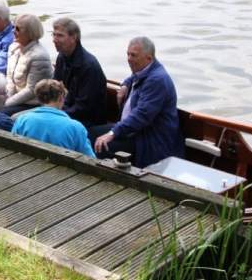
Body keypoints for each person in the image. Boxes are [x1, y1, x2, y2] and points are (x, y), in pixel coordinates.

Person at [92, 37, 184, 168]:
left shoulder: (157, 80)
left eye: (133, 55)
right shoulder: (145, 69)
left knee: (102, 146)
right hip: (131, 129)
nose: (129, 59)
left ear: (149, 58)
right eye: (128, 54)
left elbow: (141, 116)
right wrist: (125, 84)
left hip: (148, 138)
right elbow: (134, 76)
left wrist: (112, 133)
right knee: (90, 133)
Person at [12, 80, 96, 157]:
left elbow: (13, 146)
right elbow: (89, 159)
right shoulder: (76, 127)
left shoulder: (22, 120)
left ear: (39, 98)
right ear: (61, 98)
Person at [52, 17, 107, 128]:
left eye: (60, 35)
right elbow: (54, 89)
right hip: (65, 113)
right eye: (54, 35)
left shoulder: (89, 67)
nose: (54, 39)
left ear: (74, 38)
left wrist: (55, 115)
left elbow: (83, 108)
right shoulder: (62, 57)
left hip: (87, 122)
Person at [3, 13, 53, 115]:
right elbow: (9, 77)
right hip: (14, 98)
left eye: (17, 29)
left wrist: (7, 103)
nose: (13, 31)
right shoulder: (13, 48)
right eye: (13, 27)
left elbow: (31, 90)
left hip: (32, 104)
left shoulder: (39, 56)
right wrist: (8, 97)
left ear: (30, 32)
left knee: (0, 113)